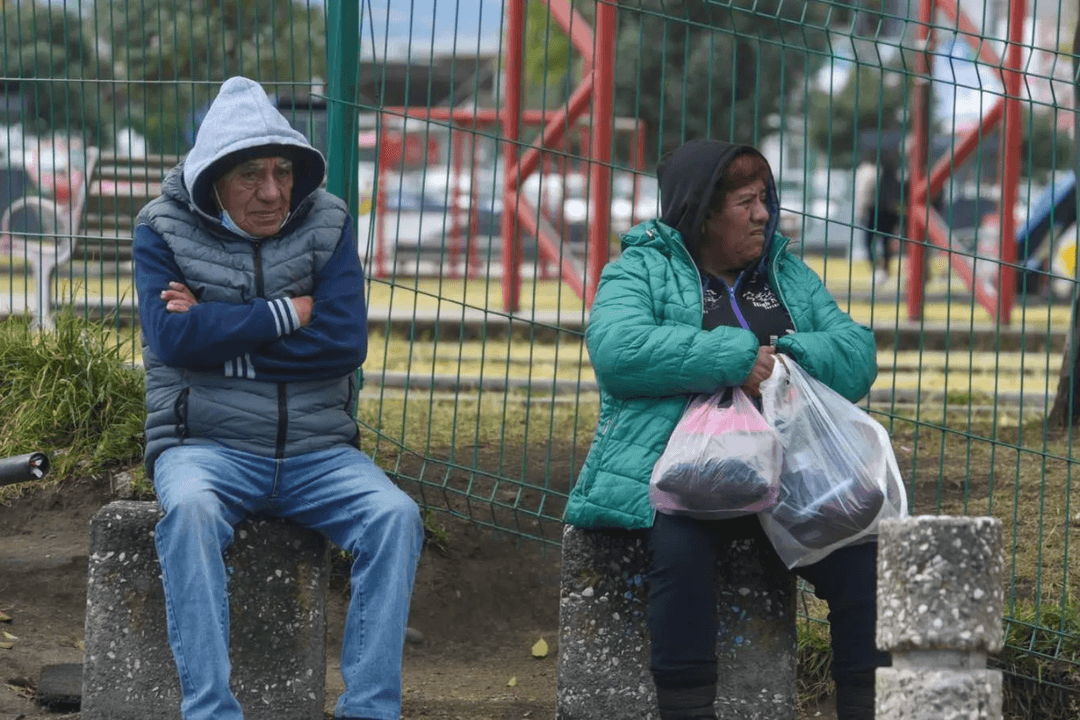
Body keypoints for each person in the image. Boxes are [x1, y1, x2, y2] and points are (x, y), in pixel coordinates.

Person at [563, 139, 888, 720]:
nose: (764, 213)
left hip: (793, 474)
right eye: (746, 201)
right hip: (681, 472)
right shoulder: (642, 268)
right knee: (680, 549)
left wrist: (787, 352)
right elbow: (619, 350)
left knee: (861, 553)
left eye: (765, 198)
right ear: (703, 211)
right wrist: (733, 355)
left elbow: (856, 353)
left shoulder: (786, 274)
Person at [132, 76, 423, 720]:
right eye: (251, 177)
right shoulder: (161, 228)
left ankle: (371, 710)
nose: (272, 192)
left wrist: (221, 336)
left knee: (395, 517)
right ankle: (211, 711)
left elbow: (344, 342)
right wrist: (287, 314)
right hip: (204, 447)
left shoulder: (330, 219)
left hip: (319, 452)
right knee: (191, 514)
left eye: (282, 171)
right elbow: (172, 338)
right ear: (214, 179)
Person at [853, 148, 903, 285]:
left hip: (874, 212)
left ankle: (877, 270)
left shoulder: (869, 172)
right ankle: (883, 270)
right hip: (889, 212)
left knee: (870, 243)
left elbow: (863, 195)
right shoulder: (896, 174)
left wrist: (861, 212)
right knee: (884, 243)